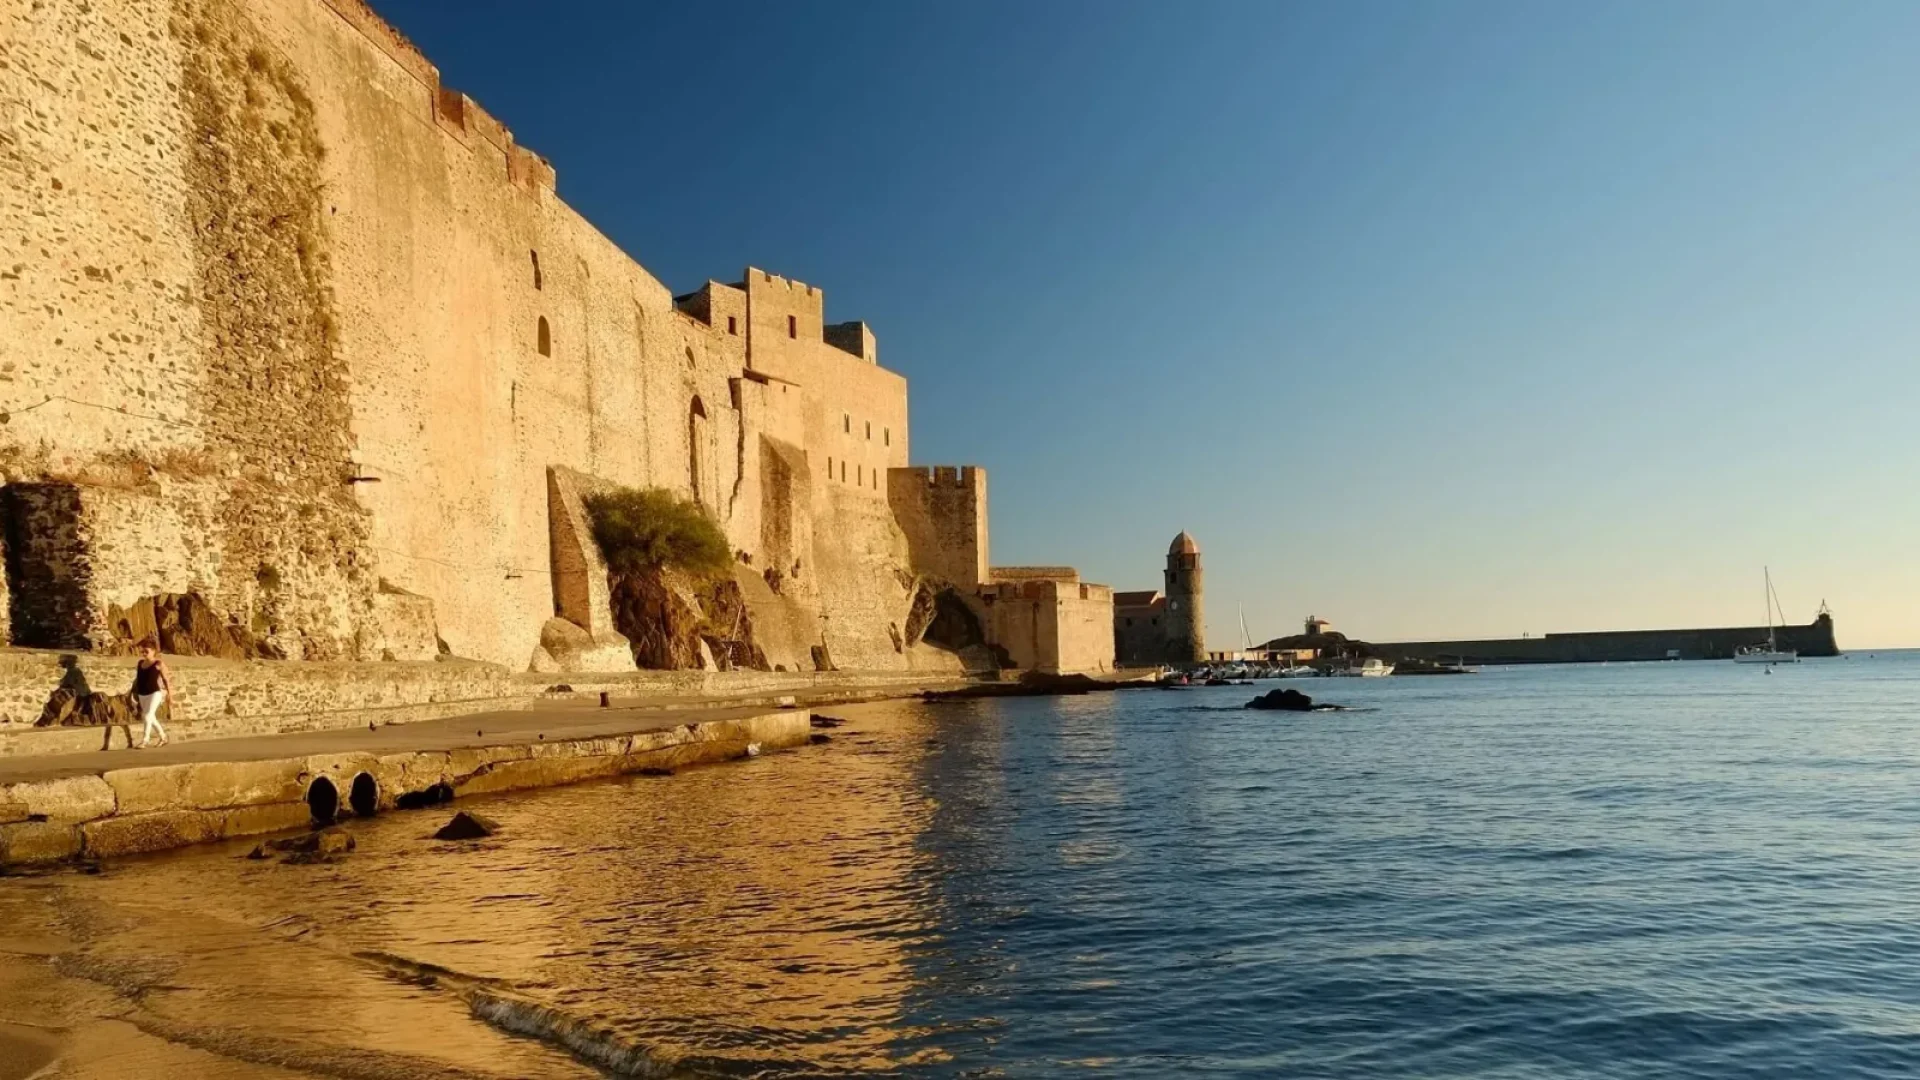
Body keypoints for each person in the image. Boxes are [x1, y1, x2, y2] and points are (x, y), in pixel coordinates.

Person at [129, 638, 171, 749]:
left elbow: (166, 679)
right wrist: (133, 692)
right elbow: (138, 679)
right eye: (142, 651)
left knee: (147, 715)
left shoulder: (158, 663)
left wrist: (170, 695)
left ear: (153, 651)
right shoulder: (140, 663)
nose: (144, 653)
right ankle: (163, 737)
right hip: (142, 694)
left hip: (155, 693)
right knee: (150, 717)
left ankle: (145, 740)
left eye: (146, 651)